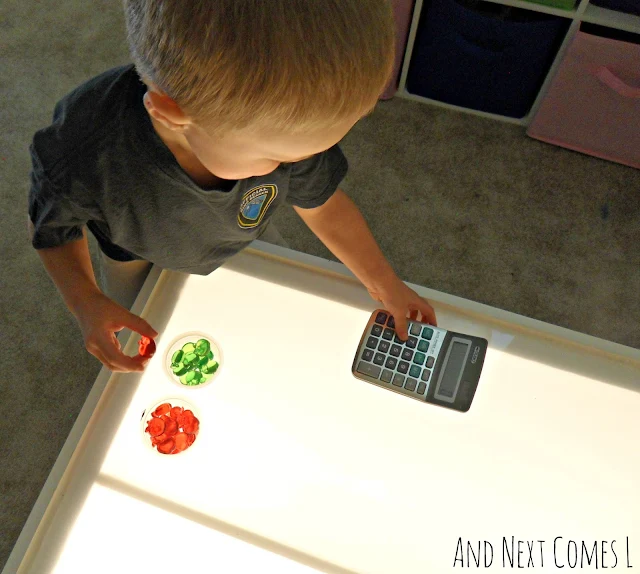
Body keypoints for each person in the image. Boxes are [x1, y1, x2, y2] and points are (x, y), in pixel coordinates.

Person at [28, 0, 437, 373]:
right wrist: (86, 302)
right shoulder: (84, 151)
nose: (295, 165)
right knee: (140, 317)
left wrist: (384, 281)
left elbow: (324, 205)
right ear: (174, 116)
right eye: (280, 159)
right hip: (134, 250)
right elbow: (53, 231)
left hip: (240, 232)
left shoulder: (284, 126)